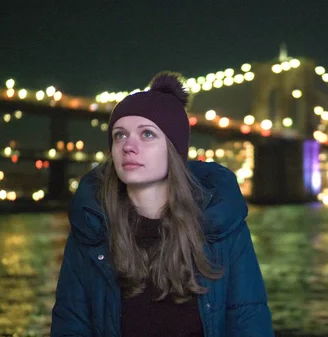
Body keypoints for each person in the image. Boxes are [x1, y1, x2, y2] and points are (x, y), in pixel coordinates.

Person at [50, 72, 274, 337]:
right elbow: (70, 326)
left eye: (147, 134)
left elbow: (249, 324)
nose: (128, 146)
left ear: (174, 149)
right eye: (119, 135)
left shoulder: (224, 230)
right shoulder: (90, 231)